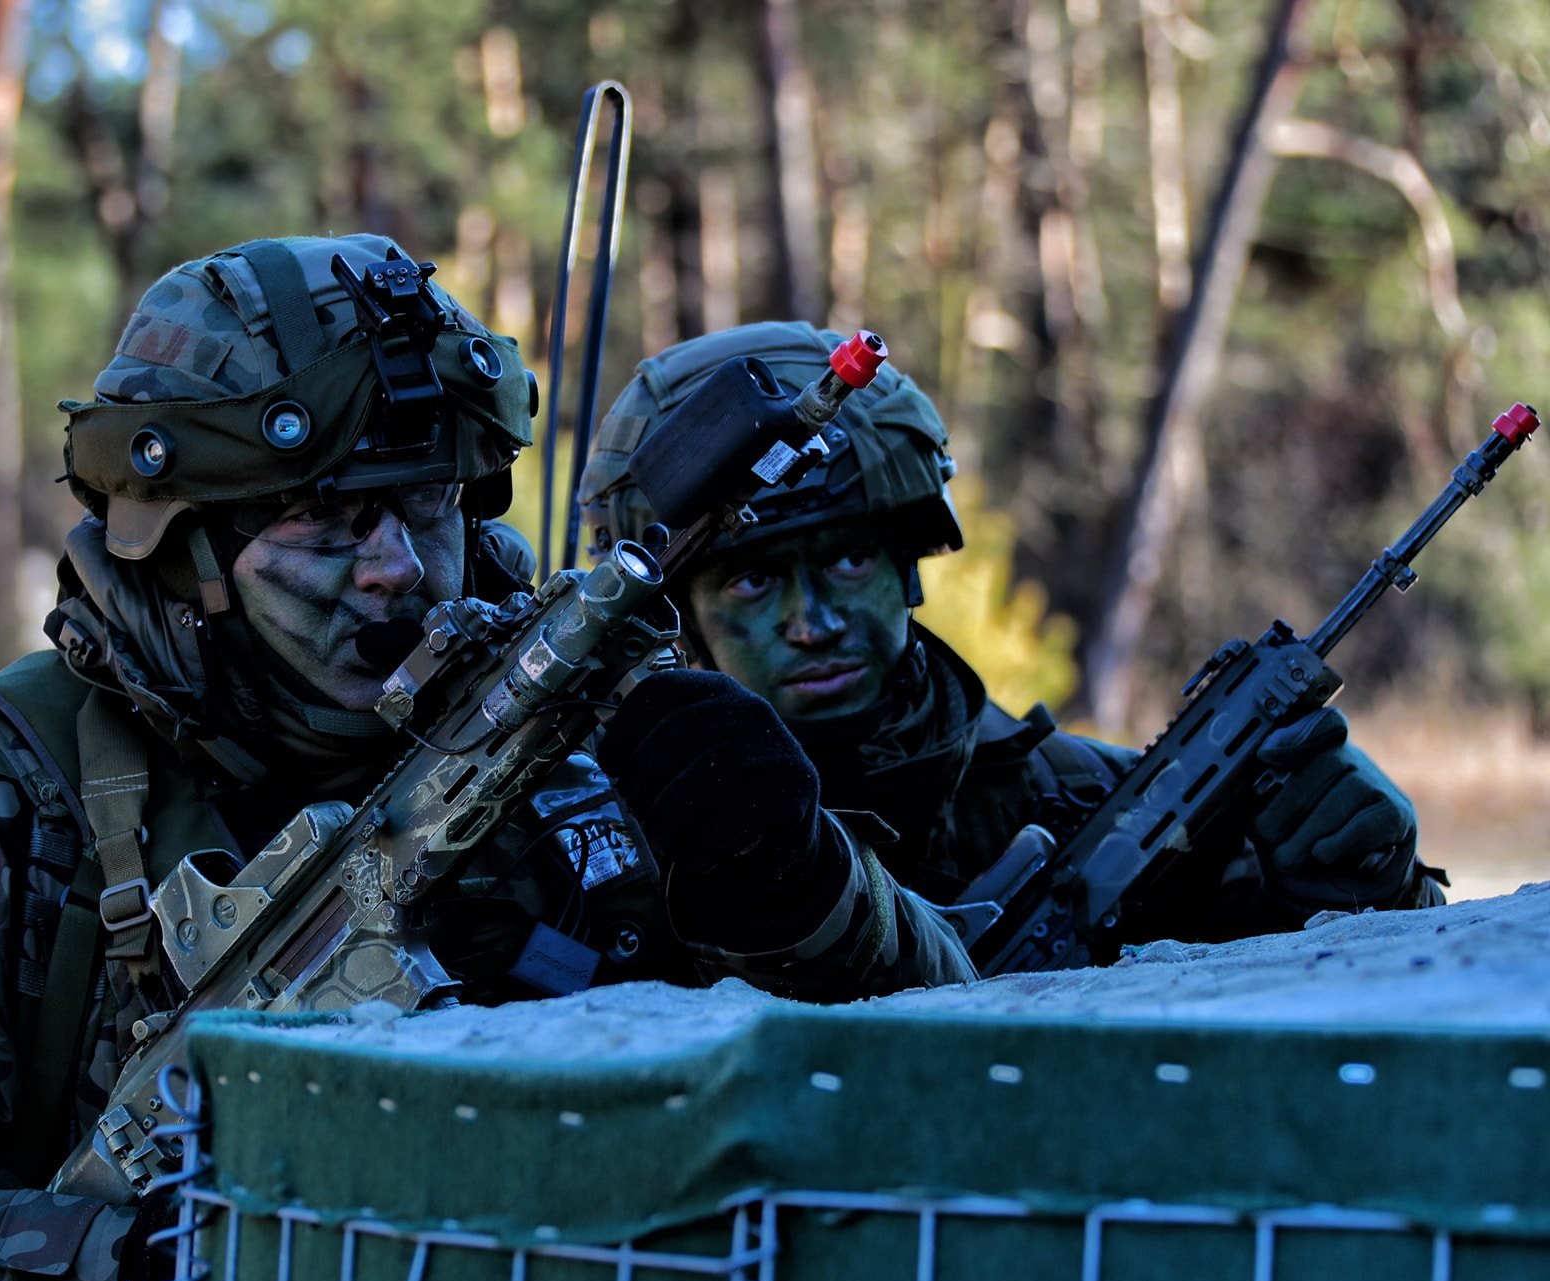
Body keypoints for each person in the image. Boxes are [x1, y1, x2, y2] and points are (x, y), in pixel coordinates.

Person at [0, 241, 974, 1281]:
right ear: (183, 543)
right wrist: (135, 1279)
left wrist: (806, 899)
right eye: (322, 523)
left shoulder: (592, 726)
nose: (396, 572)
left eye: (423, 504)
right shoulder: (6, 797)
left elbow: (946, 1104)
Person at [577, 320, 1446, 950]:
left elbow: (1375, 1017)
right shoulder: (604, 852)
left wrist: (1371, 883)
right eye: (753, 580)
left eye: (846, 560)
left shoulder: (1094, 806)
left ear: (909, 567)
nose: (813, 623)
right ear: (679, 619)